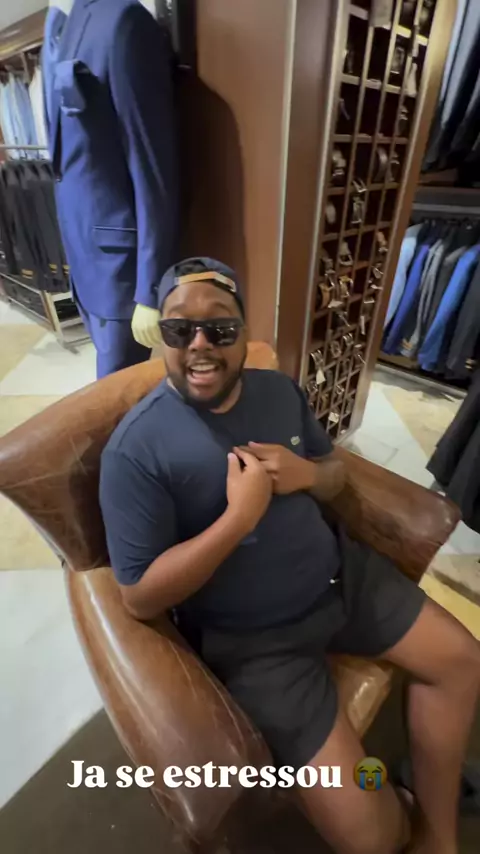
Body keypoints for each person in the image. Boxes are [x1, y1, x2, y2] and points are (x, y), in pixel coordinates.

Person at [99, 257, 480, 854]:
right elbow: (140, 596)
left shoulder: (279, 391)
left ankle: (439, 836)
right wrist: (238, 519)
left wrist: (308, 474)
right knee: (374, 838)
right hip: (259, 644)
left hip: (343, 578)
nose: (199, 344)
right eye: (179, 328)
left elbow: (332, 474)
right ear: (161, 336)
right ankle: (387, 791)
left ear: (243, 333)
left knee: (463, 661)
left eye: (220, 328)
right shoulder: (136, 450)